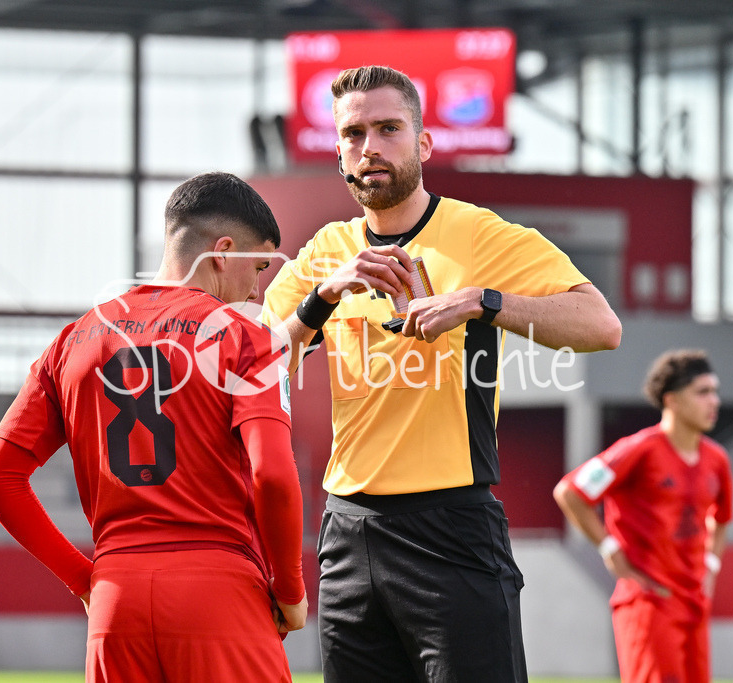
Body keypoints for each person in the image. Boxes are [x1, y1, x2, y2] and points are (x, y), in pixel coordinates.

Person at [262, 65, 622, 682]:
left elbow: (600, 325)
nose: (369, 147)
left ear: (423, 144)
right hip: (347, 534)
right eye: (353, 135)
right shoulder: (326, 249)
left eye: (388, 129)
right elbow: (258, 361)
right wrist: (323, 295)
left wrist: (482, 301)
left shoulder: (478, 233)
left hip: (452, 529)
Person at [0, 171, 308, 682]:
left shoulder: (76, 338)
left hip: (116, 600)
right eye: (258, 266)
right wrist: (289, 590)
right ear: (222, 252)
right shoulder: (246, 338)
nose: (258, 287)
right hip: (219, 592)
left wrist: (83, 579)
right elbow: (274, 477)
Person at [554, 349, 733, 683]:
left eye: (715, 391)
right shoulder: (637, 450)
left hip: (693, 604)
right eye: (703, 392)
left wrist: (711, 567)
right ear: (673, 400)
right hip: (649, 602)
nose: (715, 401)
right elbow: (570, 492)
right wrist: (611, 552)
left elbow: (721, 519)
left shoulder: (717, 460)